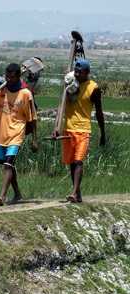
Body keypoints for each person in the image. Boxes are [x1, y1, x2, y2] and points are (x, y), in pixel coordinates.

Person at [0, 63, 38, 206]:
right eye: (6, 76)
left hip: (17, 133)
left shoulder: (25, 94)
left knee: (8, 163)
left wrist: (34, 139)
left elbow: (32, 118)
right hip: (1, 134)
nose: (8, 79)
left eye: (11, 77)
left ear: (18, 77)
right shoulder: (1, 91)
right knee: (5, 163)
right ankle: (17, 194)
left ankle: (2, 196)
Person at [53, 58, 105, 203]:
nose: (76, 74)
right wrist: (56, 127)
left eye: (79, 72)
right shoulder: (69, 84)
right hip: (68, 128)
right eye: (75, 71)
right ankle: (77, 193)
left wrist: (102, 132)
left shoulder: (93, 88)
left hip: (83, 129)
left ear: (87, 73)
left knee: (78, 161)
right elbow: (61, 106)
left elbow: (99, 112)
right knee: (71, 163)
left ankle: (74, 192)